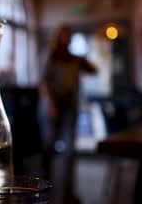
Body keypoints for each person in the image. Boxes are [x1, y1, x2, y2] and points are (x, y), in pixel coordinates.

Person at [41, 24, 97, 203]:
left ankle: (68, 191)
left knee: (70, 151)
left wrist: (83, 62)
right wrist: (50, 106)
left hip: (70, 105)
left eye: (70, 35)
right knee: (49, 145)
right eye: (66, 35)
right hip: (53, 106)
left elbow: (94, 70)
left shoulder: (75, 59)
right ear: (60, 37)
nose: (68, 38)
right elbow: (43, 83)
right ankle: (44, 187)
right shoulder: (50, 56)